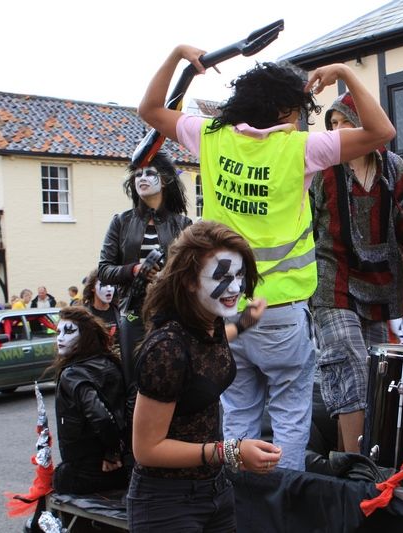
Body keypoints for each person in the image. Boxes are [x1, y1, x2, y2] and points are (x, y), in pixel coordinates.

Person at [138, 45, 395, 470]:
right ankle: (282, 498)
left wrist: (178, 56)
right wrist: (346, 74)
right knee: (291, 416)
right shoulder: (302, 149)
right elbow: (380, 131)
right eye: (297, 111)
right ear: (280, 111)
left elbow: (149, 109)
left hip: (222, 311)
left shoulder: (210, 137)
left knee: (238, 412)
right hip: (280, 311)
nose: (300, 119)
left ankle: (240, 499)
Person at [310, 92, 403, 452]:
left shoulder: (392, 167)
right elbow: (299, 226)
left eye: (345, 123)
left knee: (373, 378)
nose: (337, 132)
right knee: (348, 363)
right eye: (332, 125)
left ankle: (347, 463)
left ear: (365, 126)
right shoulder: (321, 168)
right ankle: (359, 470)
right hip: (330, 281)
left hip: (379, 286)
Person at [128, 221, 277, 532]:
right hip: (167, 505)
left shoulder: (210, 324)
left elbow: (215, 345)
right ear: (190, 281)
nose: (235, 288)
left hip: (215, 492)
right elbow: (146, 449)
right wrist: (231, 452)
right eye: (221, 277)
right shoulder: (167, 349)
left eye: (238, 276)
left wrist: (248, 320)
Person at [97, 150, 192, 384]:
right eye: (138, 174)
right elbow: (104, 270)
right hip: (133, 312)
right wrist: (134, 270)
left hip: (172, 310)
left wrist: (165, 276)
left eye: (150, 173)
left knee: (173, 375)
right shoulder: (121, 221)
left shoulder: (182, 224)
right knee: (135, 379)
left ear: (165, 180)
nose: (142, 178)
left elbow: (192, 272)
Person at [49, 306, 130, 495]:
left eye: (68, 332)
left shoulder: (73, 374)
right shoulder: (110, 363)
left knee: (55, 486)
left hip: (87, 468)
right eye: (59, 332)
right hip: (119, 466)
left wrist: (111, 452)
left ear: (84, 336)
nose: (60, 338)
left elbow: (101, 416)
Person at [82, 269, 120, 352]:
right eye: (104, 285)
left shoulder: (120, 311)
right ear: (93, 288)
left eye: (112, 285)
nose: (109, 289)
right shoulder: (84, 314)